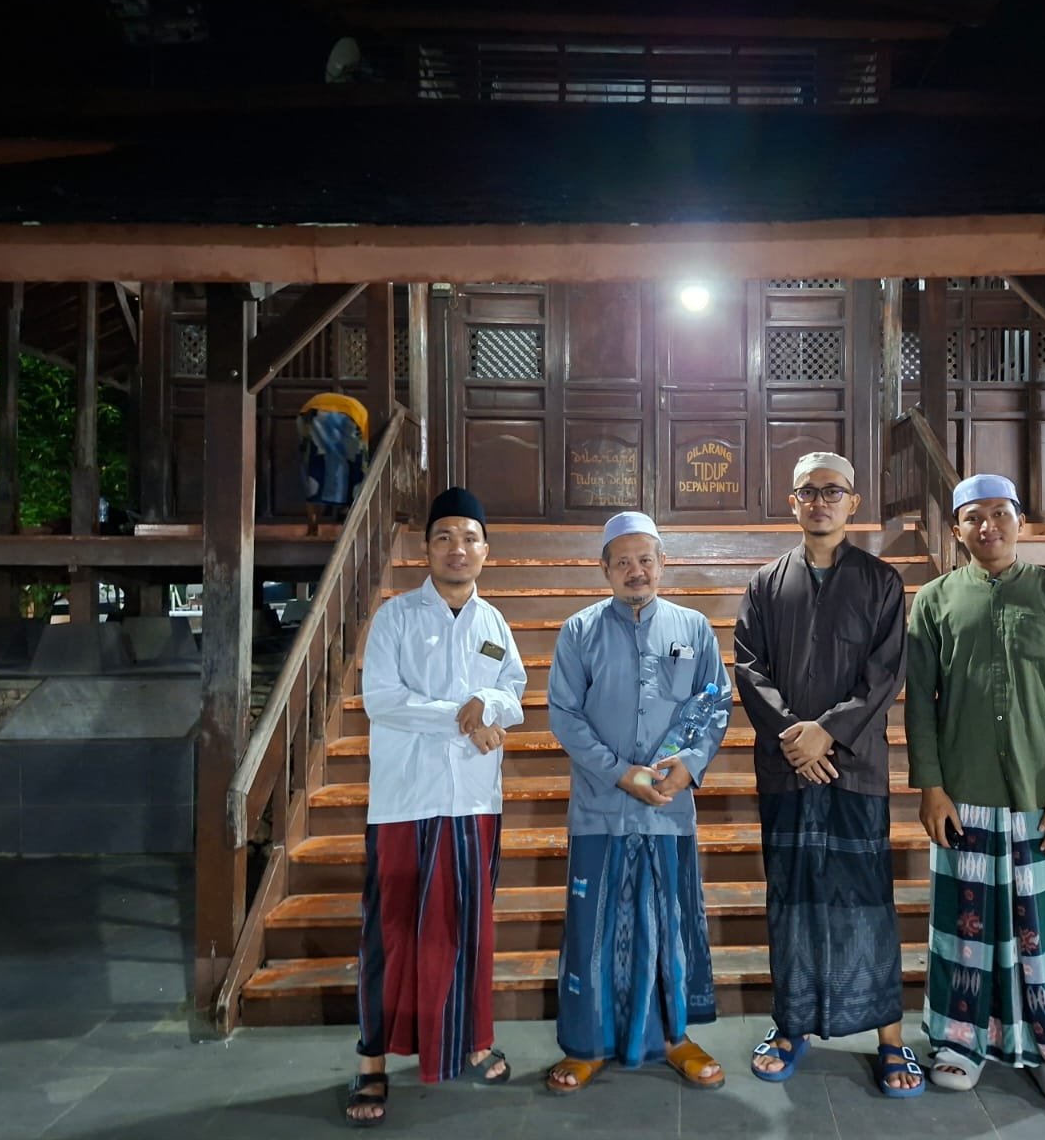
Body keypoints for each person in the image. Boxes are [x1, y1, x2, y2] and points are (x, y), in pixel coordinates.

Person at [905, 473, 1045, 1109]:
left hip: (1042, 797)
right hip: (963, 795)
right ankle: (959, 1044)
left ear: (1020, 520)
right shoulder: (934, 600)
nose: (987, 526)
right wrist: (931, 786)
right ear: (956, 529)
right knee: (966, 932)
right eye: (973, 517)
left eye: (999, 513)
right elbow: (921, 704)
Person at [734, 452, 922, 1098]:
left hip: (853, 766)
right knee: (791, 899)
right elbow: (749, 668)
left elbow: (885, 673)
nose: (820, 501)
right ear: (792, 502)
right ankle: (791, 1027)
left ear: (853, 502)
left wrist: (828, 733)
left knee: (866, 901)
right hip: (787, 766)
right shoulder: (765, 584)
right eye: (808, 492)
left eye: (832, 491)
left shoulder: (882, 582)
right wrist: (794, 735)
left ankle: (890, 1039)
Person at [344, 487, 527, 1127]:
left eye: (470, 537)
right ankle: (372, 1058)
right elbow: (381, 700)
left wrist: (489, 706)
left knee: (470, 927)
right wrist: (463, 715)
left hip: (474, 800)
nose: (458, 548)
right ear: (426, 548)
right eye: (445, 536)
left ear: (486, 551)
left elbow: (513, 693)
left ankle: (472, 1040)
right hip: (406, 802)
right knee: (392, 929)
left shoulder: (493, 623)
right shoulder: (396, 616)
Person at [543, 511, 731, 1095]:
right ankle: (587, 1045)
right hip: (601, 806)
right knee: (594, 928)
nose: (635, 571)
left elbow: (715, 703)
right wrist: (620, 773)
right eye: (622, 562)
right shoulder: (579, 631)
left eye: (645, 559)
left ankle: (675, 1038)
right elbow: (564, 716)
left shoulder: (693, 628)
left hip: (669, 808)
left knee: (669, 925)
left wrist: (689, 764)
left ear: (662, 563)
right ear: (604, 569)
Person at [298, 391, 370, 536]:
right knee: (355, 470)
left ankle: (313, 527)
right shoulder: (361, 412)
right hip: (351, 415)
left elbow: (303, 443)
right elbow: (363, 453)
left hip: (311, 409)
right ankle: (352, 526)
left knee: (315, 468)